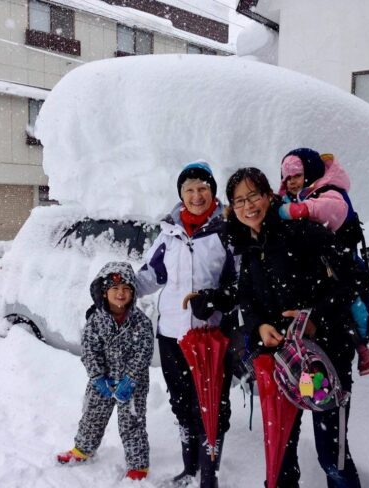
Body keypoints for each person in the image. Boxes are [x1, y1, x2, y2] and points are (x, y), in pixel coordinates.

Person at [226, 167, 362, 488]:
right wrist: (259, 327)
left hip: (325, 360)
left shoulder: (301, 233)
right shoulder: (249, 246)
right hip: (284, 365)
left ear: (269, 195)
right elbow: (246, 297)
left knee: (332, 457)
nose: (249, 206)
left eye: (254, 195)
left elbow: (352, 278)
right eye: (240, 200)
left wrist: (315, 317)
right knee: (281, 453)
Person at [136, 160, 236, 488]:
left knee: (210, 407)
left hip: (209, 337)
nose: (196, 195)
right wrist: (117, 289)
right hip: (171, 335)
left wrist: (216, 299)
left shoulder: (226, 231)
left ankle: (210, 475)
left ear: (212, 192)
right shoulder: (170, 233)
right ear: (181, 194)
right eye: (189, 189)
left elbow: (242, 285)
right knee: (181, 404)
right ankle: (189, 467)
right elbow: (151, 275)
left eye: (202, 188)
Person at [277, 148, 369, 375]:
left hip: (342, 265)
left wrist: (295, 210)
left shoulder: (329, 190)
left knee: (355, 304)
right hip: (318, 270)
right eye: (286, 178)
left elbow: (332, 211)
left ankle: (367, 344)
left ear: (311, 171)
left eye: (296, 175)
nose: (291, 182)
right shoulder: (297, 195)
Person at [56, 261, 154, 481]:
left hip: (133, 384)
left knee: (133, 423)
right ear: (104, 292)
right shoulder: (95, 321)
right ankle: (83, 449)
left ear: (133, 293)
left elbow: (143, 352)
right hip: (103, 381)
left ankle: (138, 464)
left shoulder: (141, 322)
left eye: (126, 289)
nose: (121, 293)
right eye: (115, 289)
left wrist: (130, 380)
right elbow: (89, 351)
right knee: (92, 417)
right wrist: (97, 377)